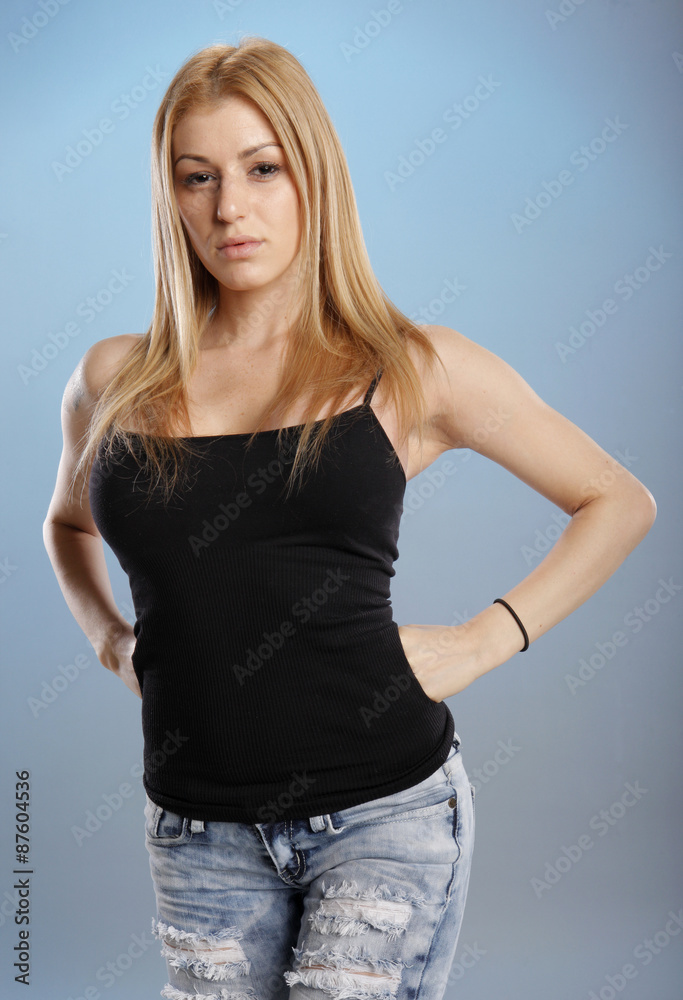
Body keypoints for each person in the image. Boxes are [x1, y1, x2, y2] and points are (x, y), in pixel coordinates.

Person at [42, 36, 656, 1000]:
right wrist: (109, 642)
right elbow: (68, 524)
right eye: (197, 177)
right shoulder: (114, 379)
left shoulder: (409, 368)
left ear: (314, 174)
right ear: (171, 197)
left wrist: (483, 640)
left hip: (383, 818)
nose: (229, 207)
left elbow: (617, 499)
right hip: (196, 831)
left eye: (262, 168)